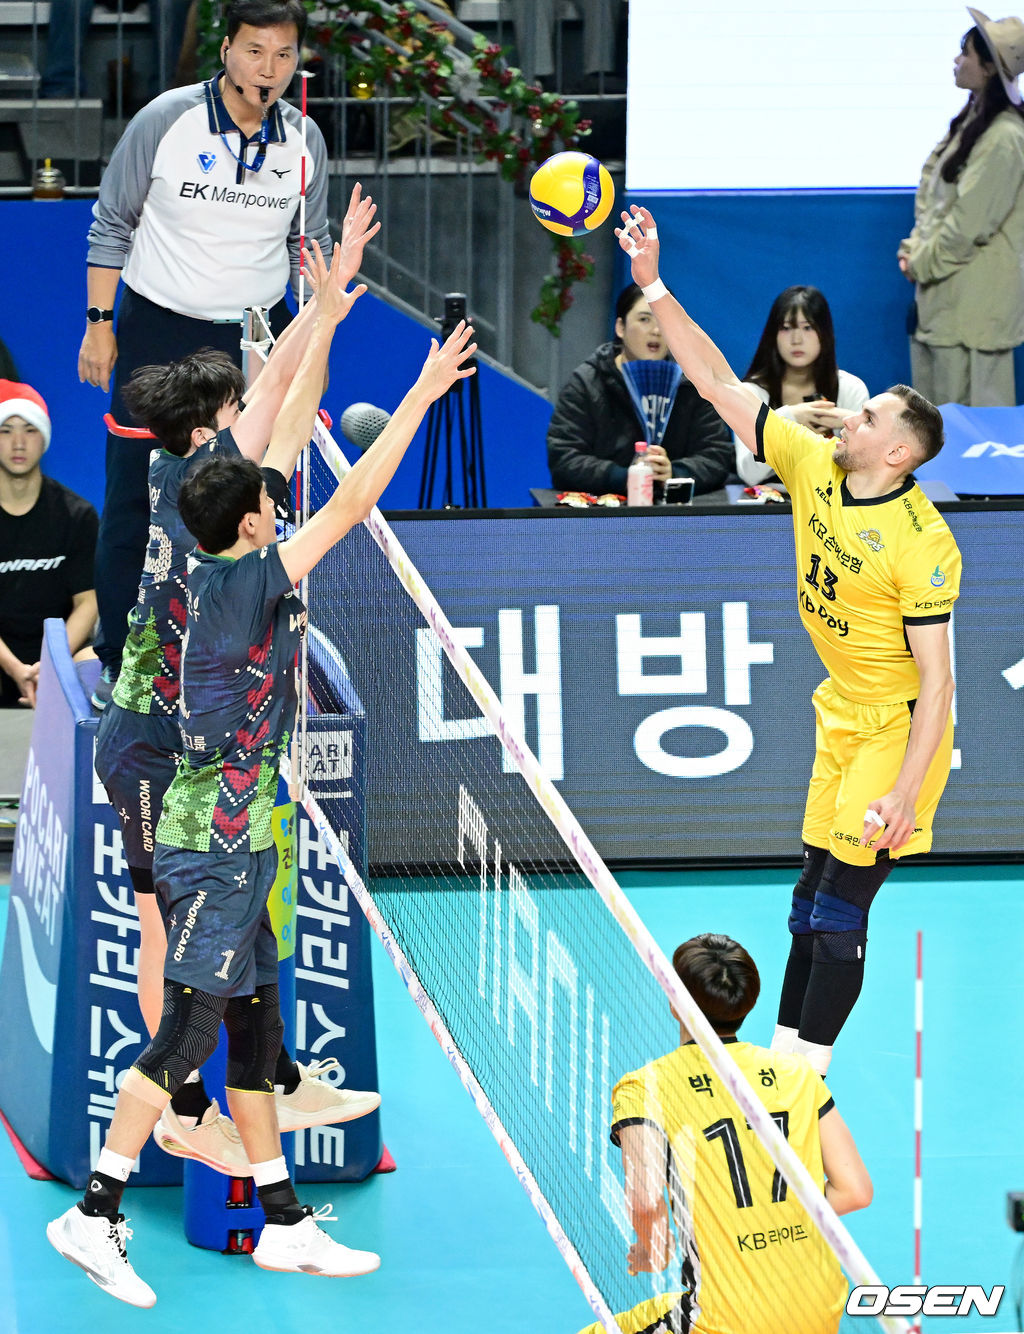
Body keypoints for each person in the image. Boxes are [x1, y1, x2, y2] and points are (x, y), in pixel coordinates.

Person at [46, 285, 477, 1308]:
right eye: (267, 497)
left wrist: (318, 316)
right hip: (211, 835)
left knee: (255, 1020)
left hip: (237, 829)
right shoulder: (247, 580)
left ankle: (282, 1221)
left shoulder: (217, 549)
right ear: (249, 519)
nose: (278, 494)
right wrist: (419, 394)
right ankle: (95, 1210)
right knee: (190, 1030)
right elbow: (351, 500)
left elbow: (276, 434)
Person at [617, 204, 961, 1076]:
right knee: (808, 901)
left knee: (841, 909)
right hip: (840, 712)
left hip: (895, 730)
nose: (850, 420)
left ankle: (806, 1083)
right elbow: (712, 379)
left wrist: (905, 794)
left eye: (869, 419)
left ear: (898, 456)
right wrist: (654, 281)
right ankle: (781, 1065)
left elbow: (940, 684)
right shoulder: (812, 464)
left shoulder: (923, 544)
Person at [94, 221, 380, 1178]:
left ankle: (276, 1075)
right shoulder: (195, 484)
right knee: (162, 929)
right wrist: (321, 313)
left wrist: (324, 309)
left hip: (184, 737)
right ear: (205, 432)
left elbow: (284, 408)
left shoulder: (207, 477)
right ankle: (181, 1111)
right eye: (230, 406)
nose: (244, 404)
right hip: (147, 739)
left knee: (243, 919)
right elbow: (277, 400)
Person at [80, 0, 336, 706]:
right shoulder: (168, 119)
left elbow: (307, 248)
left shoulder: (304, 140)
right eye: (255, 51)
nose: (269, 69)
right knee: (136, 498)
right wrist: (99, 323)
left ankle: (244, 659)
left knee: (252, 499)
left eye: (284, 55)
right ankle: (121, 659)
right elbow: (112, 222)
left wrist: (309, 341)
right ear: (225, 51)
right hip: (159, 328)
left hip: (255, 329)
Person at [577, 934, 872, 1334]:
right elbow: (855, 1191)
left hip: (725, 1321)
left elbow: (645, 1204)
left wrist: (650, 1248)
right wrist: (772, 1219)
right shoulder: (797, 1074)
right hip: (819, 1307)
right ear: (747, 1002)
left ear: (674, 1000)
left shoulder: (646, 1087)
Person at [898, 8, 1024, 406]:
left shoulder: (1004, 137)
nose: (957, 60)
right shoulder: (973, 122)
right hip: (944, 306)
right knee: (934, 420)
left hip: (972, 317)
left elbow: (969, 224)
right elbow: (933, 200)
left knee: (968, 427)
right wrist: (914, 248)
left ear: (988, 68)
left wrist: (920, 263)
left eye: (965, 53)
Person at [547, 282, 734, 496]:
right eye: (644, 319)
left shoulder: (693, 384)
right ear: (620, 327)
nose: (656, 331)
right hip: (608, 509)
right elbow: (563, 458)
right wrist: (624, 477)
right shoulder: (587, 384)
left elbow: (718, 455)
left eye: (665, 321)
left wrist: (674, 472)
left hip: (674, 510)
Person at [0, 382, 98, 708]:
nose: (18, 443)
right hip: (4, 660)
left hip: (61, 659)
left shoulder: (77, 515)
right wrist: (16, 669)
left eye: (29, 430)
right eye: (6, 431)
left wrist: (51, 664)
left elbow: (88, 601)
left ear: (44, 438)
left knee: (95, 662)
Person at [735, 286, 869, 487]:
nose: (796, 340)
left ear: (824, 333)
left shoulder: (851, 388)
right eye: (786, 328)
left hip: (838, 502)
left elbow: (868, 468)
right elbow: (748, 474)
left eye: (807, 328)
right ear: (773, 335)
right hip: (772, 503)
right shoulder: (751, 393)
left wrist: (850, 423)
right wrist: (788, 418)